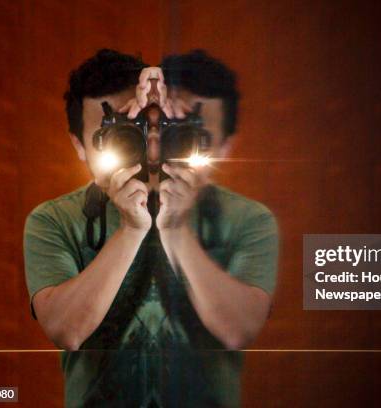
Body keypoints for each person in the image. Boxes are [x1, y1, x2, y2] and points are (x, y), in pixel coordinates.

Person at [23, 49, 279, 407]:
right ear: (79, 146)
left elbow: (238, 330)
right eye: (112, 136)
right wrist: (131, 228)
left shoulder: (250, 219)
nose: (139, 148)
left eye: (140, 131)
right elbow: (68, 331)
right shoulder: (52, 219)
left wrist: (175, 229)